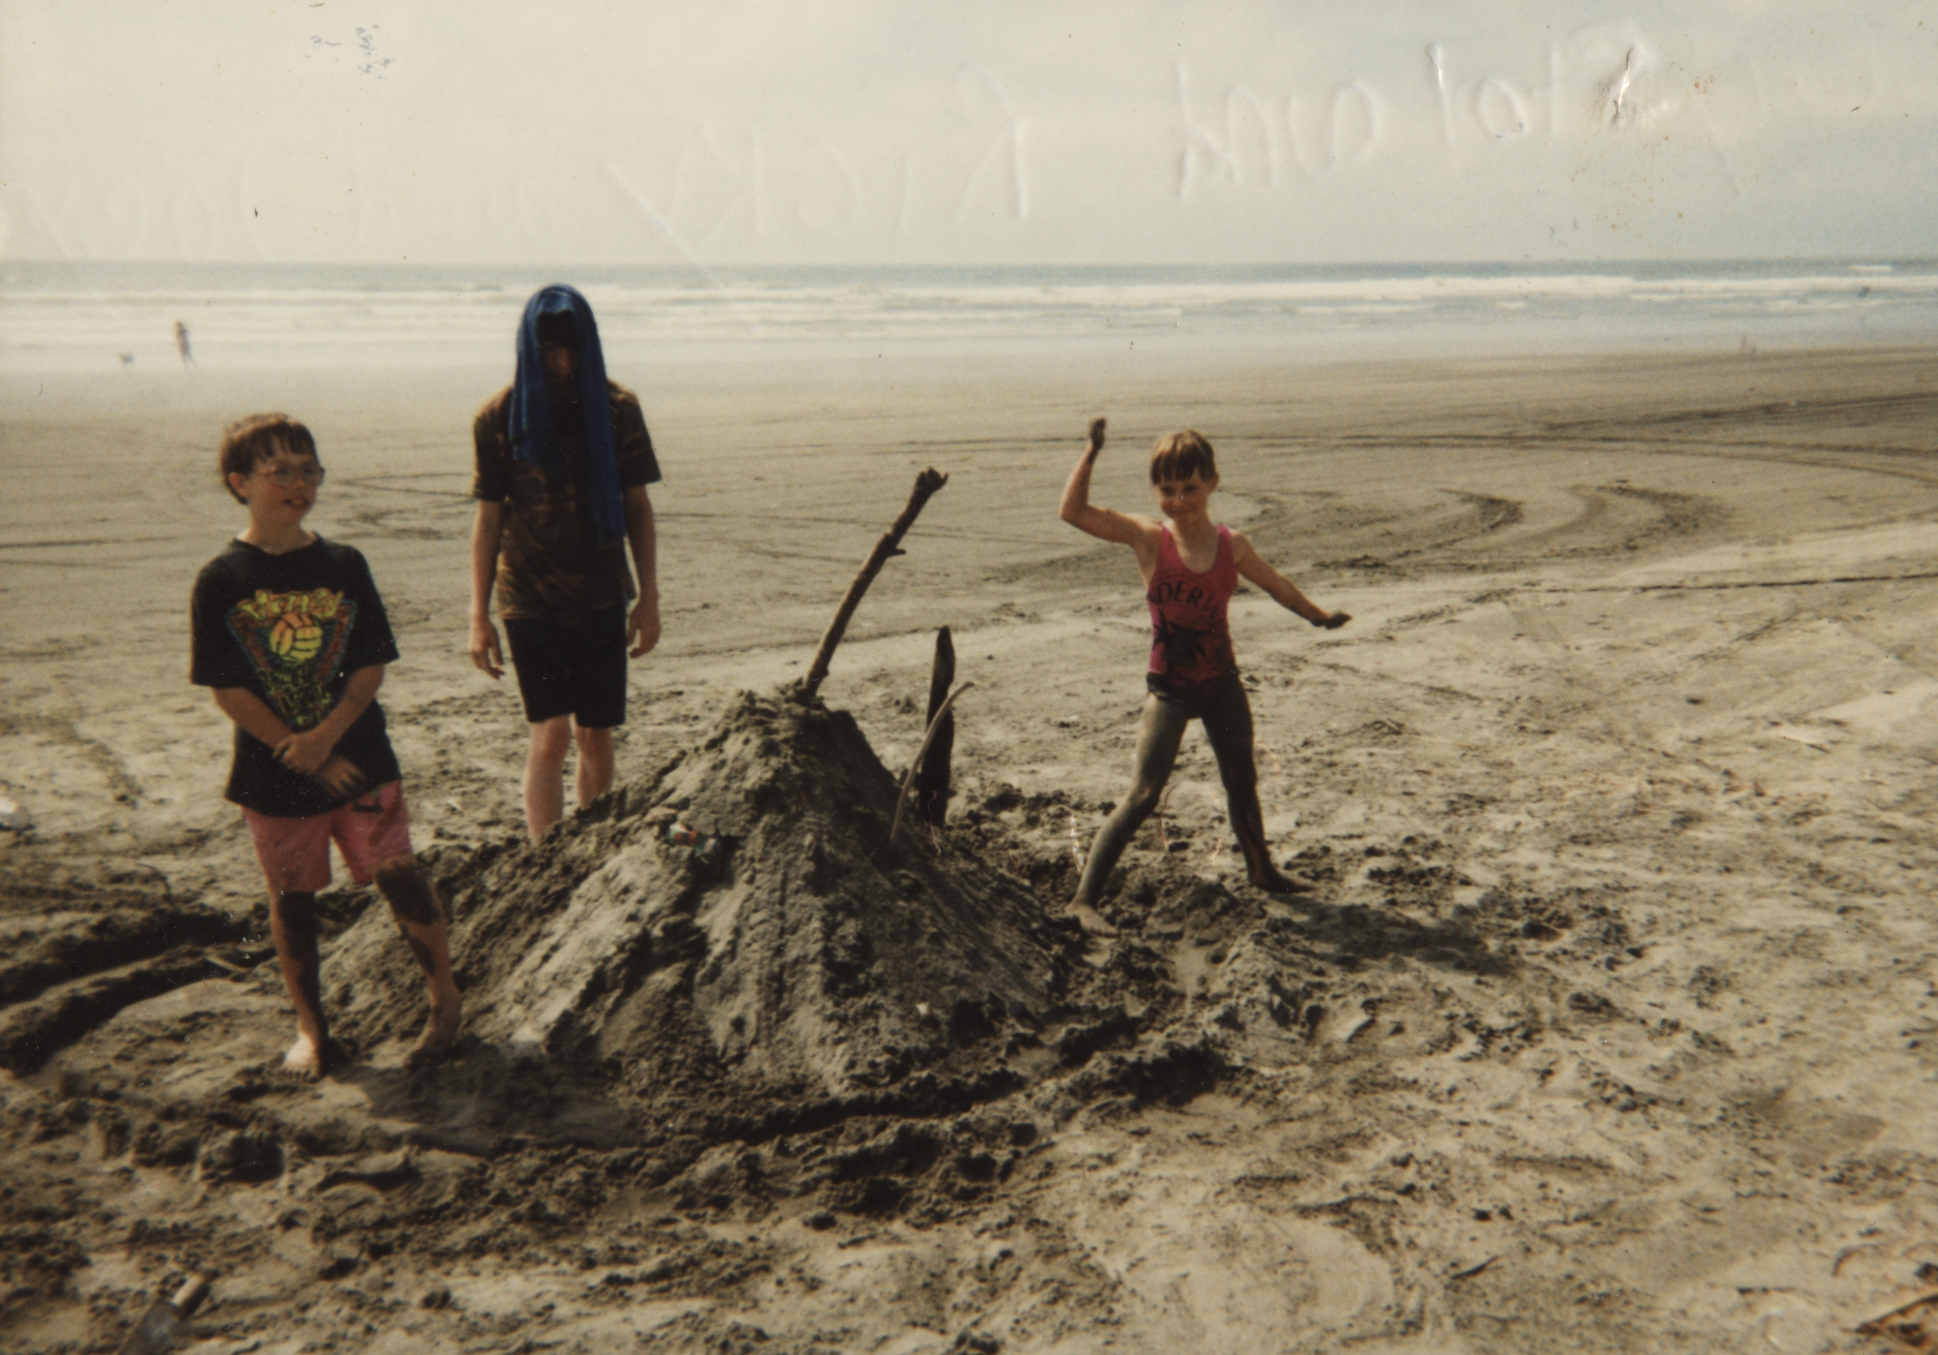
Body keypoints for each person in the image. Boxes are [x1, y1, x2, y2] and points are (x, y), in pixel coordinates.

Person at [191, 413, 461, 1078]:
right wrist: (296, 745)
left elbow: (370, 664)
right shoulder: (221, 578)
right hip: (273, 773)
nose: (298, 483)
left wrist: (327, 737)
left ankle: (445, 1001)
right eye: (278, 470)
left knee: (398, 874)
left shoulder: (343, 564)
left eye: (309, 469)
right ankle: (312, 1030)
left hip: (360, 758)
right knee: (292, 897)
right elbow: (227, 687)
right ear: (240, 483)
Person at [1057, 418, 1351, 937]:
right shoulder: (1148, 538)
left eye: (1189, 488)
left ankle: (1262, 871)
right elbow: (1073, 512)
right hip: (1168, 690)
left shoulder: (1231, 545)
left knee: (1243, 781)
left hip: (1222, 685)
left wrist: (1317, 616)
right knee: (1144, 793)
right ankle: (1083, 901)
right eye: (1166, 490)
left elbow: (1276, 584)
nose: (1177, 500)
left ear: (1213, 482)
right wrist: (1091, 452)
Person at [468, 285, 661, 839]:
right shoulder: (499, 419)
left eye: (573, 349)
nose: (563, 362)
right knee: (550, 732)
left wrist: (649, 599)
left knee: (595, 733)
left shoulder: (617, 410)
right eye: (551, 350)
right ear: (530, 348)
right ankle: (545, 855)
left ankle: (593, 846)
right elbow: (488, 520)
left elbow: (638, 509)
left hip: (601, 592)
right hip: (528, 596)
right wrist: (478, 616)